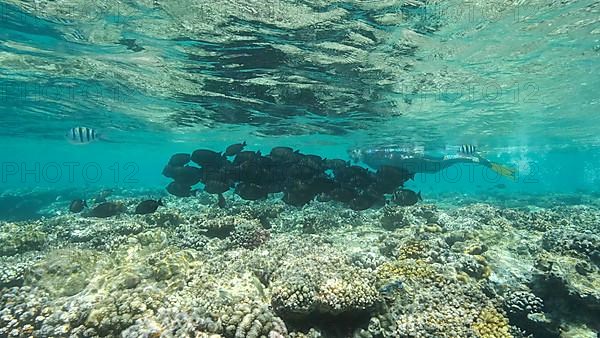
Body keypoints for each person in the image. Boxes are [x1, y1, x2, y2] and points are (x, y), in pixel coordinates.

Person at [349, 144, 516, 180]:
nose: (355, 158)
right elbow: (394, 168)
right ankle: (482, 161)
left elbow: (395, 162)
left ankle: (486, 162)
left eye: (354, 154)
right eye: (354, 156)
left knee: (459, 157)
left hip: (428, 163)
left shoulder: (371, 156)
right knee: (457, 158)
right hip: (428, 166)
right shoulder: (370, 161)